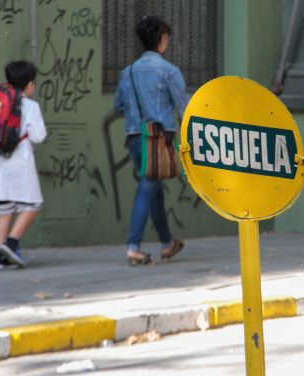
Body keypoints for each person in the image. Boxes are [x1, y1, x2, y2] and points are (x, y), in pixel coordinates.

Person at [114, 16, 188, 266]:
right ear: (163, 39)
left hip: (134, 138)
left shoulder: (128, 72)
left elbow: (118, 105)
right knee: (148, 186)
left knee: (155, 190)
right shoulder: (168, 71)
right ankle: (133, 247)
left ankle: (167, 243)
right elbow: (183, 107)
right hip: (157, 139)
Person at [0, 60, 47, 269]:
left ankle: (0, 257)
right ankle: (11, 243)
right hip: (18, 161)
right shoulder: (30, 106)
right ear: (29, 85)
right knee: (33, 205)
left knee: (4, 209)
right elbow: (39, 136)